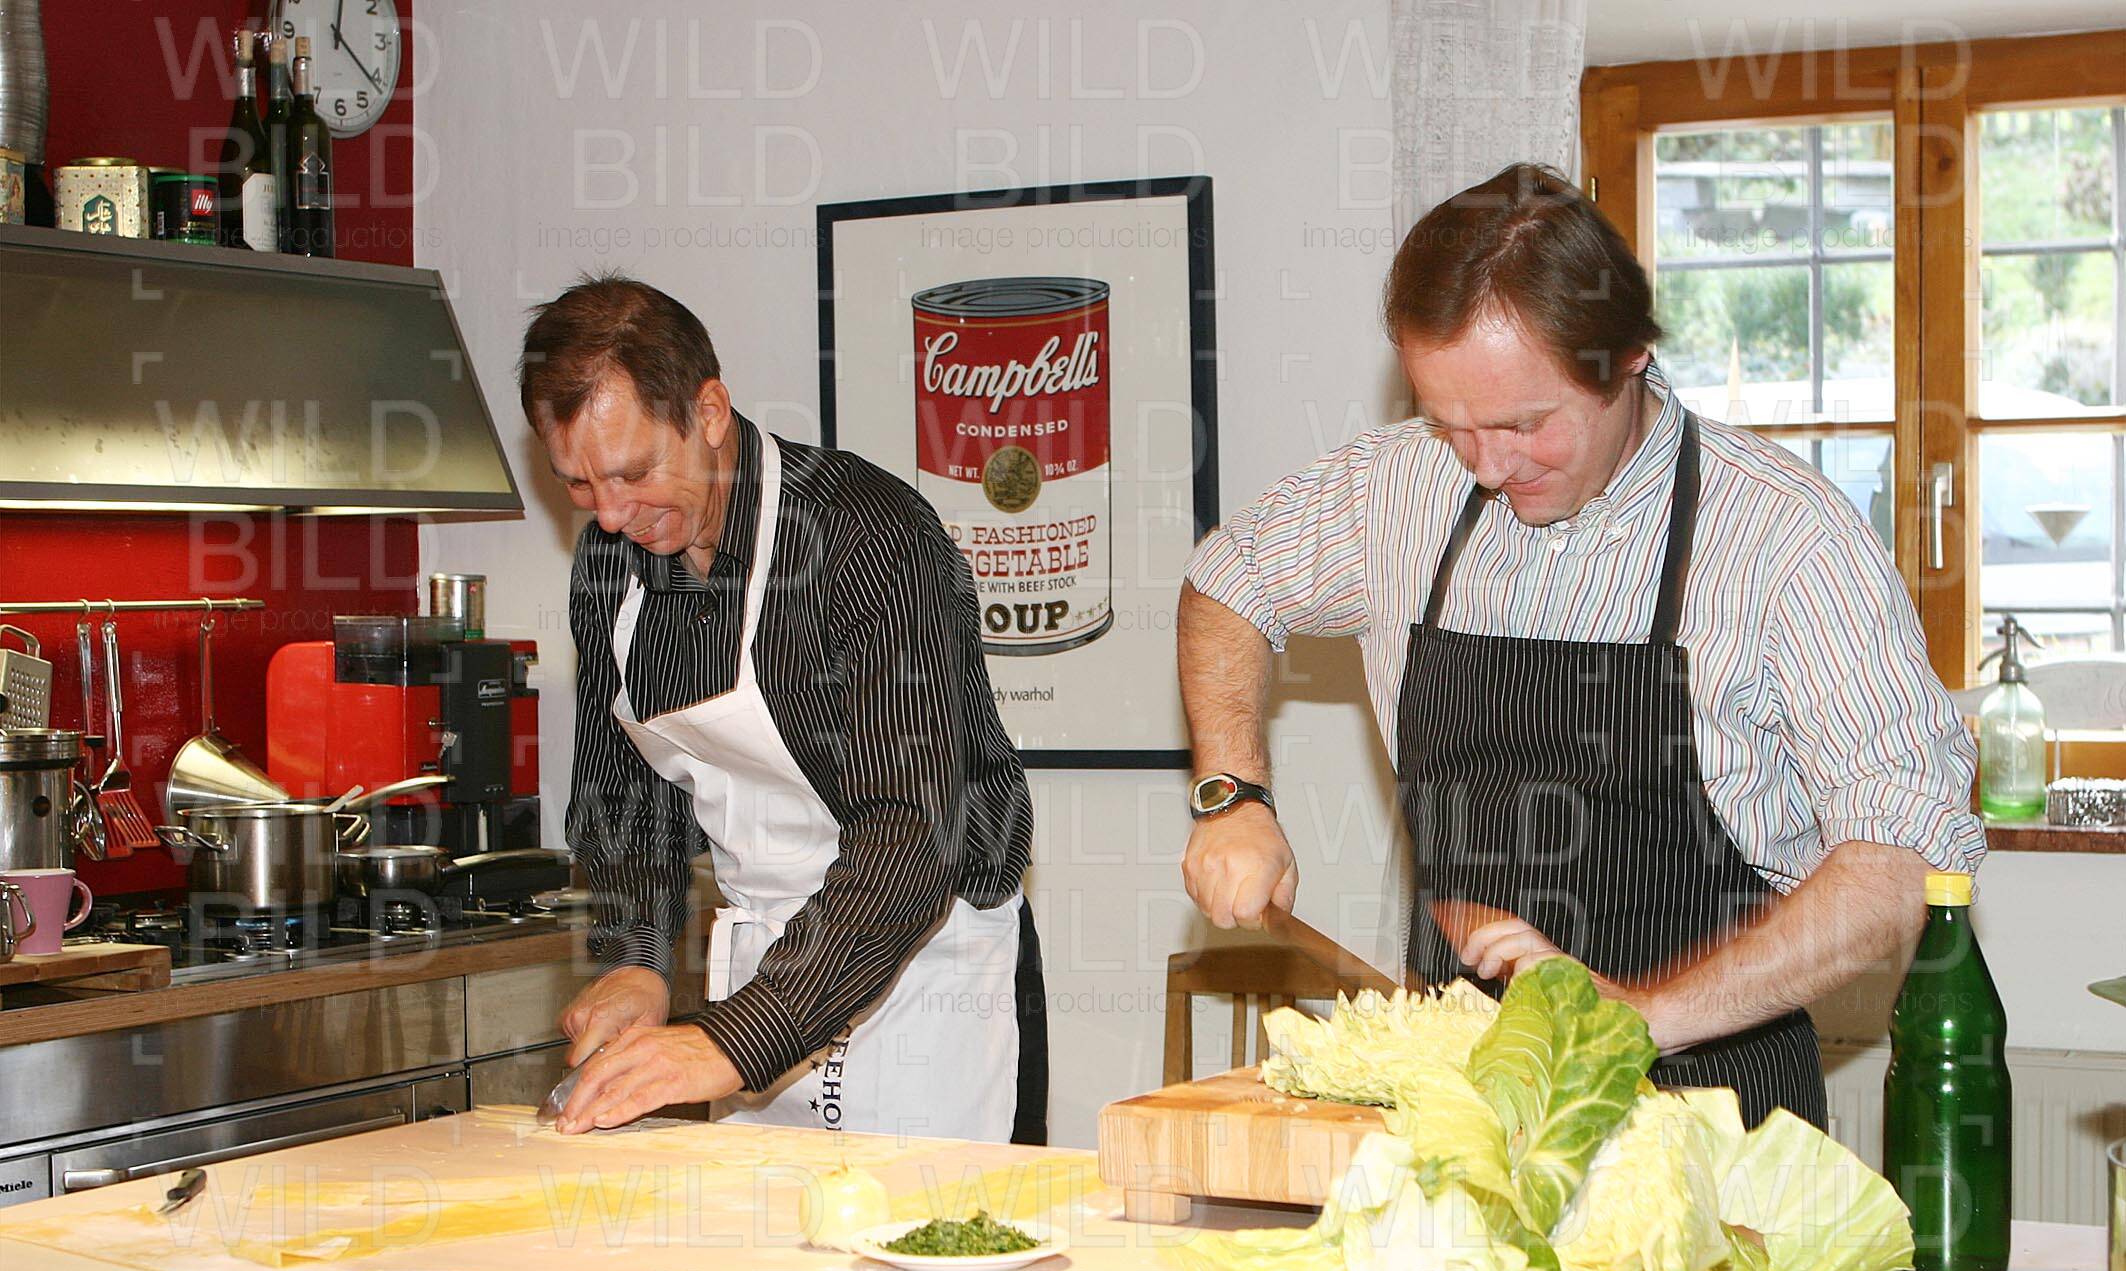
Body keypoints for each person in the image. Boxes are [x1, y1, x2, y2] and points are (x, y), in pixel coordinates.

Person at [1177, 164, 1984, 1127]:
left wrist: (1643, 1016)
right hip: (1461, 1111)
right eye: (1451, 424)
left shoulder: (1786, 538)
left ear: (1629, 356)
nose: (1488, 464)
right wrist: (1232, 794)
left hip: (1708, 1117)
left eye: (1525, 423)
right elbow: (1228, 580)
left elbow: (1903, 860)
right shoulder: (1399, 488)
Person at [520, 275, 1045, 1142]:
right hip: (763, 963)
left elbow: (914, 834)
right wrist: (637, 958)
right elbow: (624, 795)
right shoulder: (610, 567)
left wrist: (733, 1040)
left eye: (634, 472)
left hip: (927, 970)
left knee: (935, 1223)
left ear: (709, 411)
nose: (610, 515)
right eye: (578, 484)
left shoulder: (866, 537)